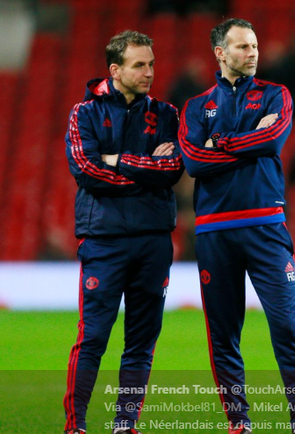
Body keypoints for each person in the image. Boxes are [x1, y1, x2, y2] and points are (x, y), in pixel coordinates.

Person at [178, 18, 295, 434]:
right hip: (214, 231)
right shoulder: (196, 107)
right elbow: (192, 162)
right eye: (242, 47)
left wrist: (219, 142)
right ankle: (239, 423)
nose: (252, 52)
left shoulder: (277, 94)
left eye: (254, 45)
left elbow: (272, 140)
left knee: (287, 326)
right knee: (223, 335)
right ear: (220, 53)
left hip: (266, 227)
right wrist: (245, 143)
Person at [62, 30, 184, 434]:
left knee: (141, 343)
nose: (149, 71)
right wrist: (143, 171)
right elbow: (86, 170)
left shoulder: (167, 114)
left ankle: (124, 426)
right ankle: (76, 426)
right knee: (93, 337)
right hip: (104, 241)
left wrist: (118, 161)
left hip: (153, 242)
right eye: (139, 65)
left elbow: (172, 170)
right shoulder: (84, 113)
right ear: (115, 70)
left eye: (151, 63)